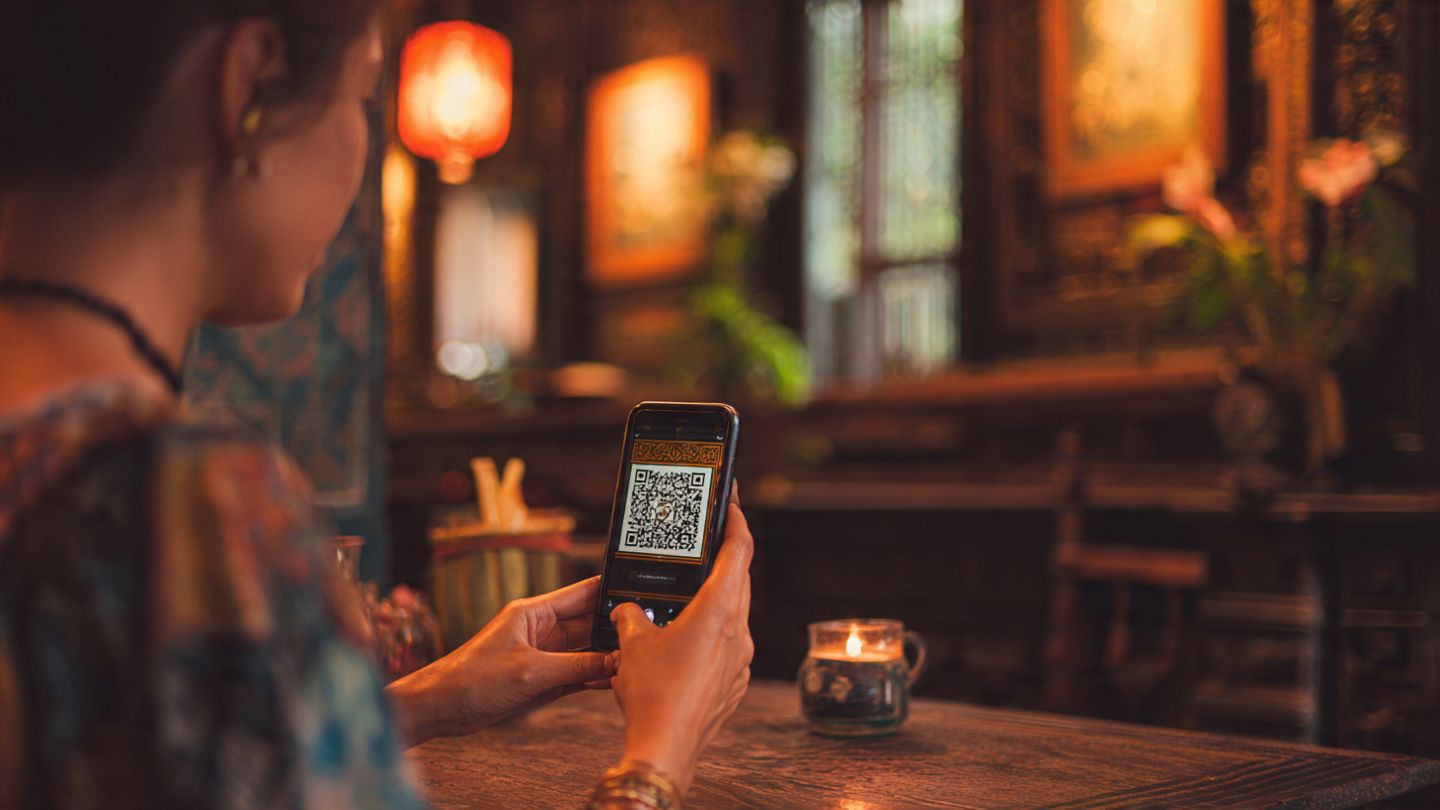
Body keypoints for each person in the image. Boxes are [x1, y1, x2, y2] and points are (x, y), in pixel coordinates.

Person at [0, 2, 754, 807]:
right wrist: (660, 753)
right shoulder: (185, 509)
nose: (363, 150)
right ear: (247, 83)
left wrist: (419, 701)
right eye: (364, 98)